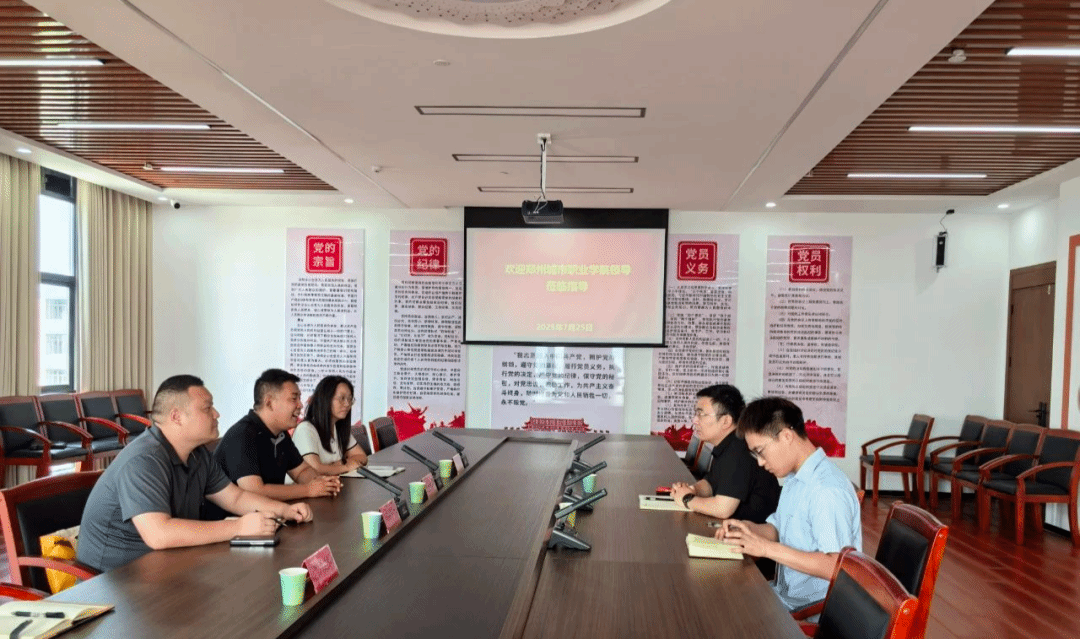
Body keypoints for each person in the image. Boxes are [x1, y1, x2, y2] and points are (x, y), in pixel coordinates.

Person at [77, 375, 313, 573]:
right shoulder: (144, 460)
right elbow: (160, 534)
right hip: (113, 580)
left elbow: (236, 498)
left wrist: (285, 510)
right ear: (176, 417)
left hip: (165, 565)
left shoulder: (197, 455)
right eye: (207, 408)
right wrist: (239, 527)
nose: (216, 414)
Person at [717, 397, 861, 612]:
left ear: (786, 436)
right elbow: (779, 529)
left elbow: (836, 567)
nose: (760, 462)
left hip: (814, 611)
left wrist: (765, 548)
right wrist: (748, 530)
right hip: (785, 595)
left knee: (717, 605)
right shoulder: (795, 478)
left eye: (760, 451)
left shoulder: (826, 491)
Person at [211, 369, 342, 505]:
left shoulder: (281, 435)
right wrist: (308, 489)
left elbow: (301, 471)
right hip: (231, 516)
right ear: (269, 403)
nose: (300, 405)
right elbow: (254, 491)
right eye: (294, 399)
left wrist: (323, 483)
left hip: (268, 512)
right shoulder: (242, 434)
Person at [669, 384, 780, 523]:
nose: (694, 420)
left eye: (701, 414)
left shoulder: (739, 450)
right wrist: (692, 490)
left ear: (726, 421)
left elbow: (723, 509)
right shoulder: (728, 444)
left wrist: (687, 499)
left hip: (754, 531)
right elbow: (711, 483)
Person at [292, 375, 368, 474]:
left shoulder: (337, 427)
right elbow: (314, 469)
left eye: (350, 399)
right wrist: (345, 467)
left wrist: (335, 465)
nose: (347, 404)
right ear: (325, 399)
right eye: (341, 398)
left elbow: (362, 457)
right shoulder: (306, 429)